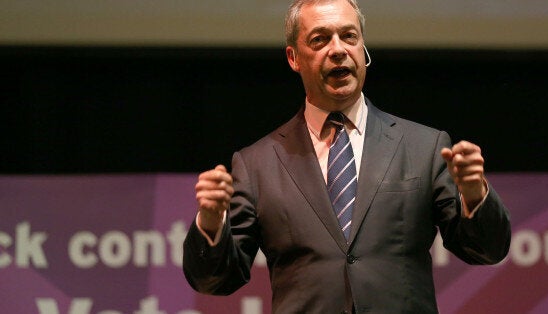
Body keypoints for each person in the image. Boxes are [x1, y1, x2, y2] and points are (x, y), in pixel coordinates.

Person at [183, 0, 511, 313]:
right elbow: (217, 280)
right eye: (320, 39)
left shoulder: (423, 147)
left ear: (363, 47)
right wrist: (211, 225)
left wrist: (474, 195)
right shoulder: (257, 163)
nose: (338, 49)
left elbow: (485, 250)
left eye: (349, 36)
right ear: (293, 57)